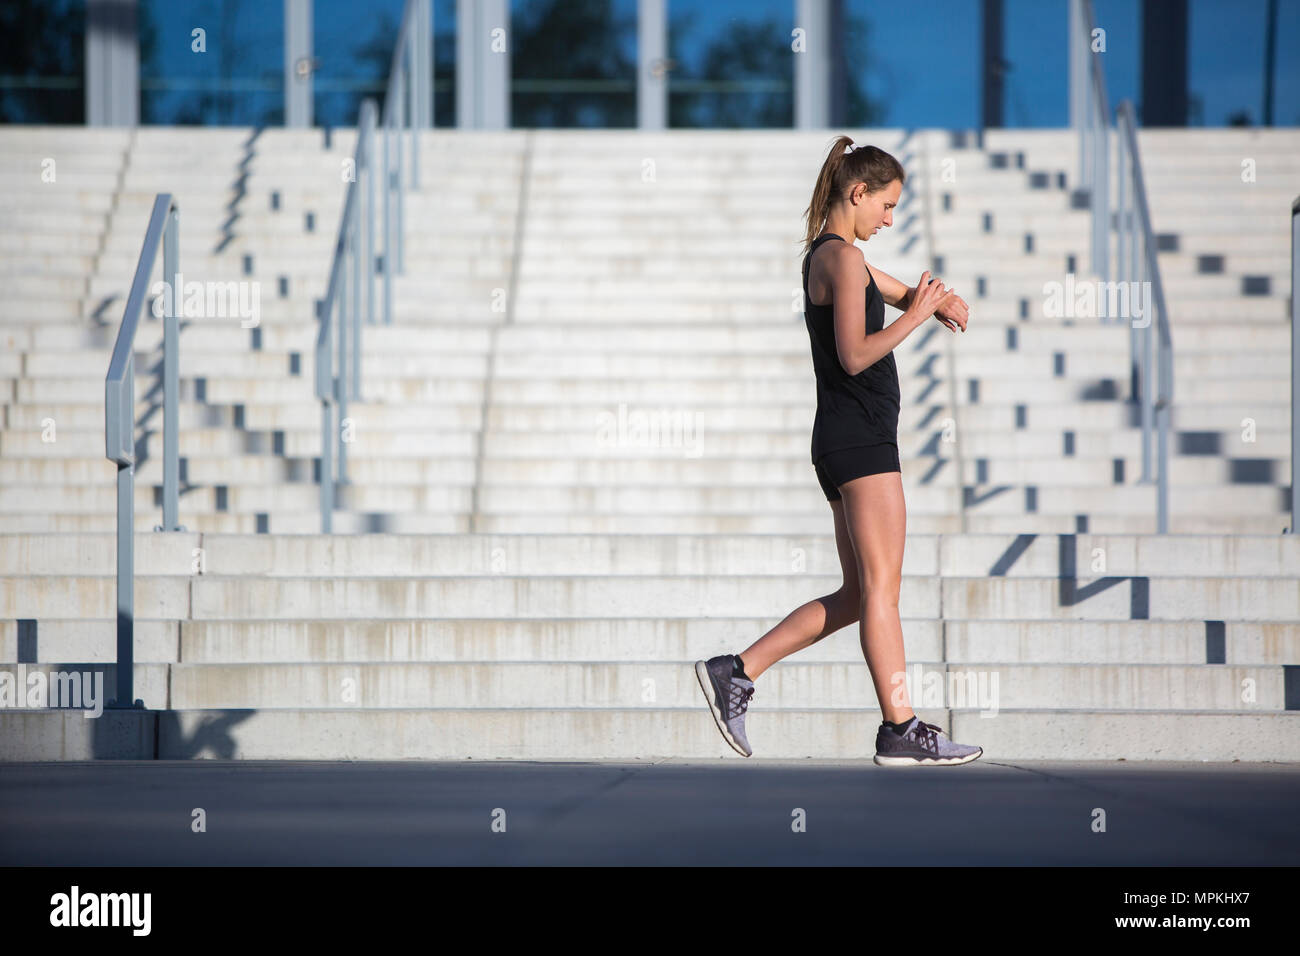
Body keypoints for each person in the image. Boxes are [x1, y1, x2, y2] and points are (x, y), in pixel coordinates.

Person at [695, 135, 983, 767]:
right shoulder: (842, 261)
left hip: (843, 439)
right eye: (887, 205)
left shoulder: (833, 256)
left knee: (859, 594)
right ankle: (900, 726)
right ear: (859, 193)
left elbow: (902, 291)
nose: (890, 218)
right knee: (883, 589)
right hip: (860, 438)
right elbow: (855, 354)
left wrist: (936, 303)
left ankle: (736, 671)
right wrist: (917, 318)